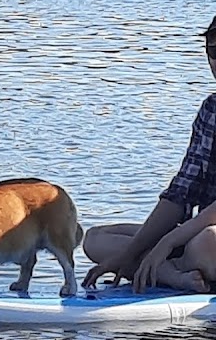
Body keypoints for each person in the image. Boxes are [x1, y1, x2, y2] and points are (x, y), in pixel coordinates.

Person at [82, 16, 216, 294]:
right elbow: (179, 195)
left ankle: (170, 266)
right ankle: (173, 274)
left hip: (205, 238)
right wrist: (130, 252)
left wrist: (167, 242)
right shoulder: (209, 111)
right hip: (191, 235)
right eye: (213, 51)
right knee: (95, 239)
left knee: (207, 242)